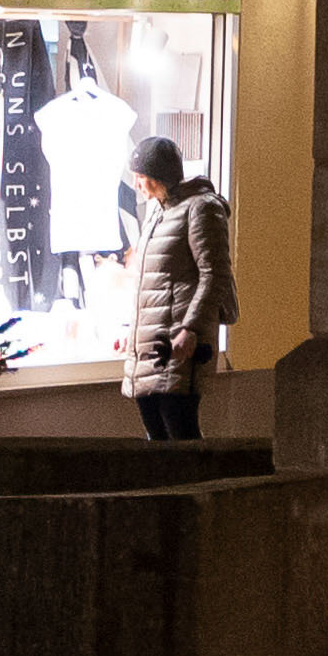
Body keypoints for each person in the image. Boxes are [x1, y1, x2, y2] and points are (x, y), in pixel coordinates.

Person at [118, 140, 231, 439]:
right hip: (149, 344)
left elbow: (214, 274)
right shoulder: (157, 212)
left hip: (178, 345)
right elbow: (148, 281)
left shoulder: (201, 209)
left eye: (140, 176)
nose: (136, 183)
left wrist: (190, 328)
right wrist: (130, 332)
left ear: (157, 177)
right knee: (156, 436)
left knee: (180, 435)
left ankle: (194, 487)